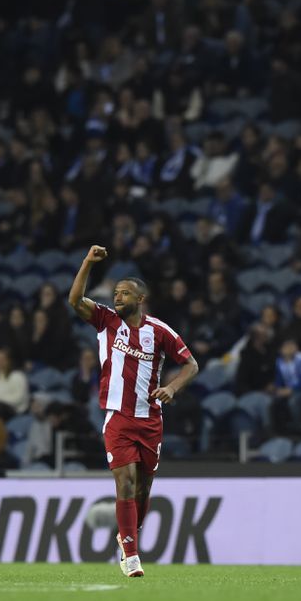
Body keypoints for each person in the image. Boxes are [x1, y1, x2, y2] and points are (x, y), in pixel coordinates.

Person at [68, 244, 199, 578]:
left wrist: (171, 387)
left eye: (124, 294)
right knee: (124, 483)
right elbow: (74, 301)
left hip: (150, 419)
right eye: (115, 293)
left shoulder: (160, 332)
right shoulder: (106, 322)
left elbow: (191, 365)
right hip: (118, 418)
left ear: (140, 299)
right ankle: (131, 554)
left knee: (142, 488)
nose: (117, 298)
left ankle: (127, 536)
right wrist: (87, 263)